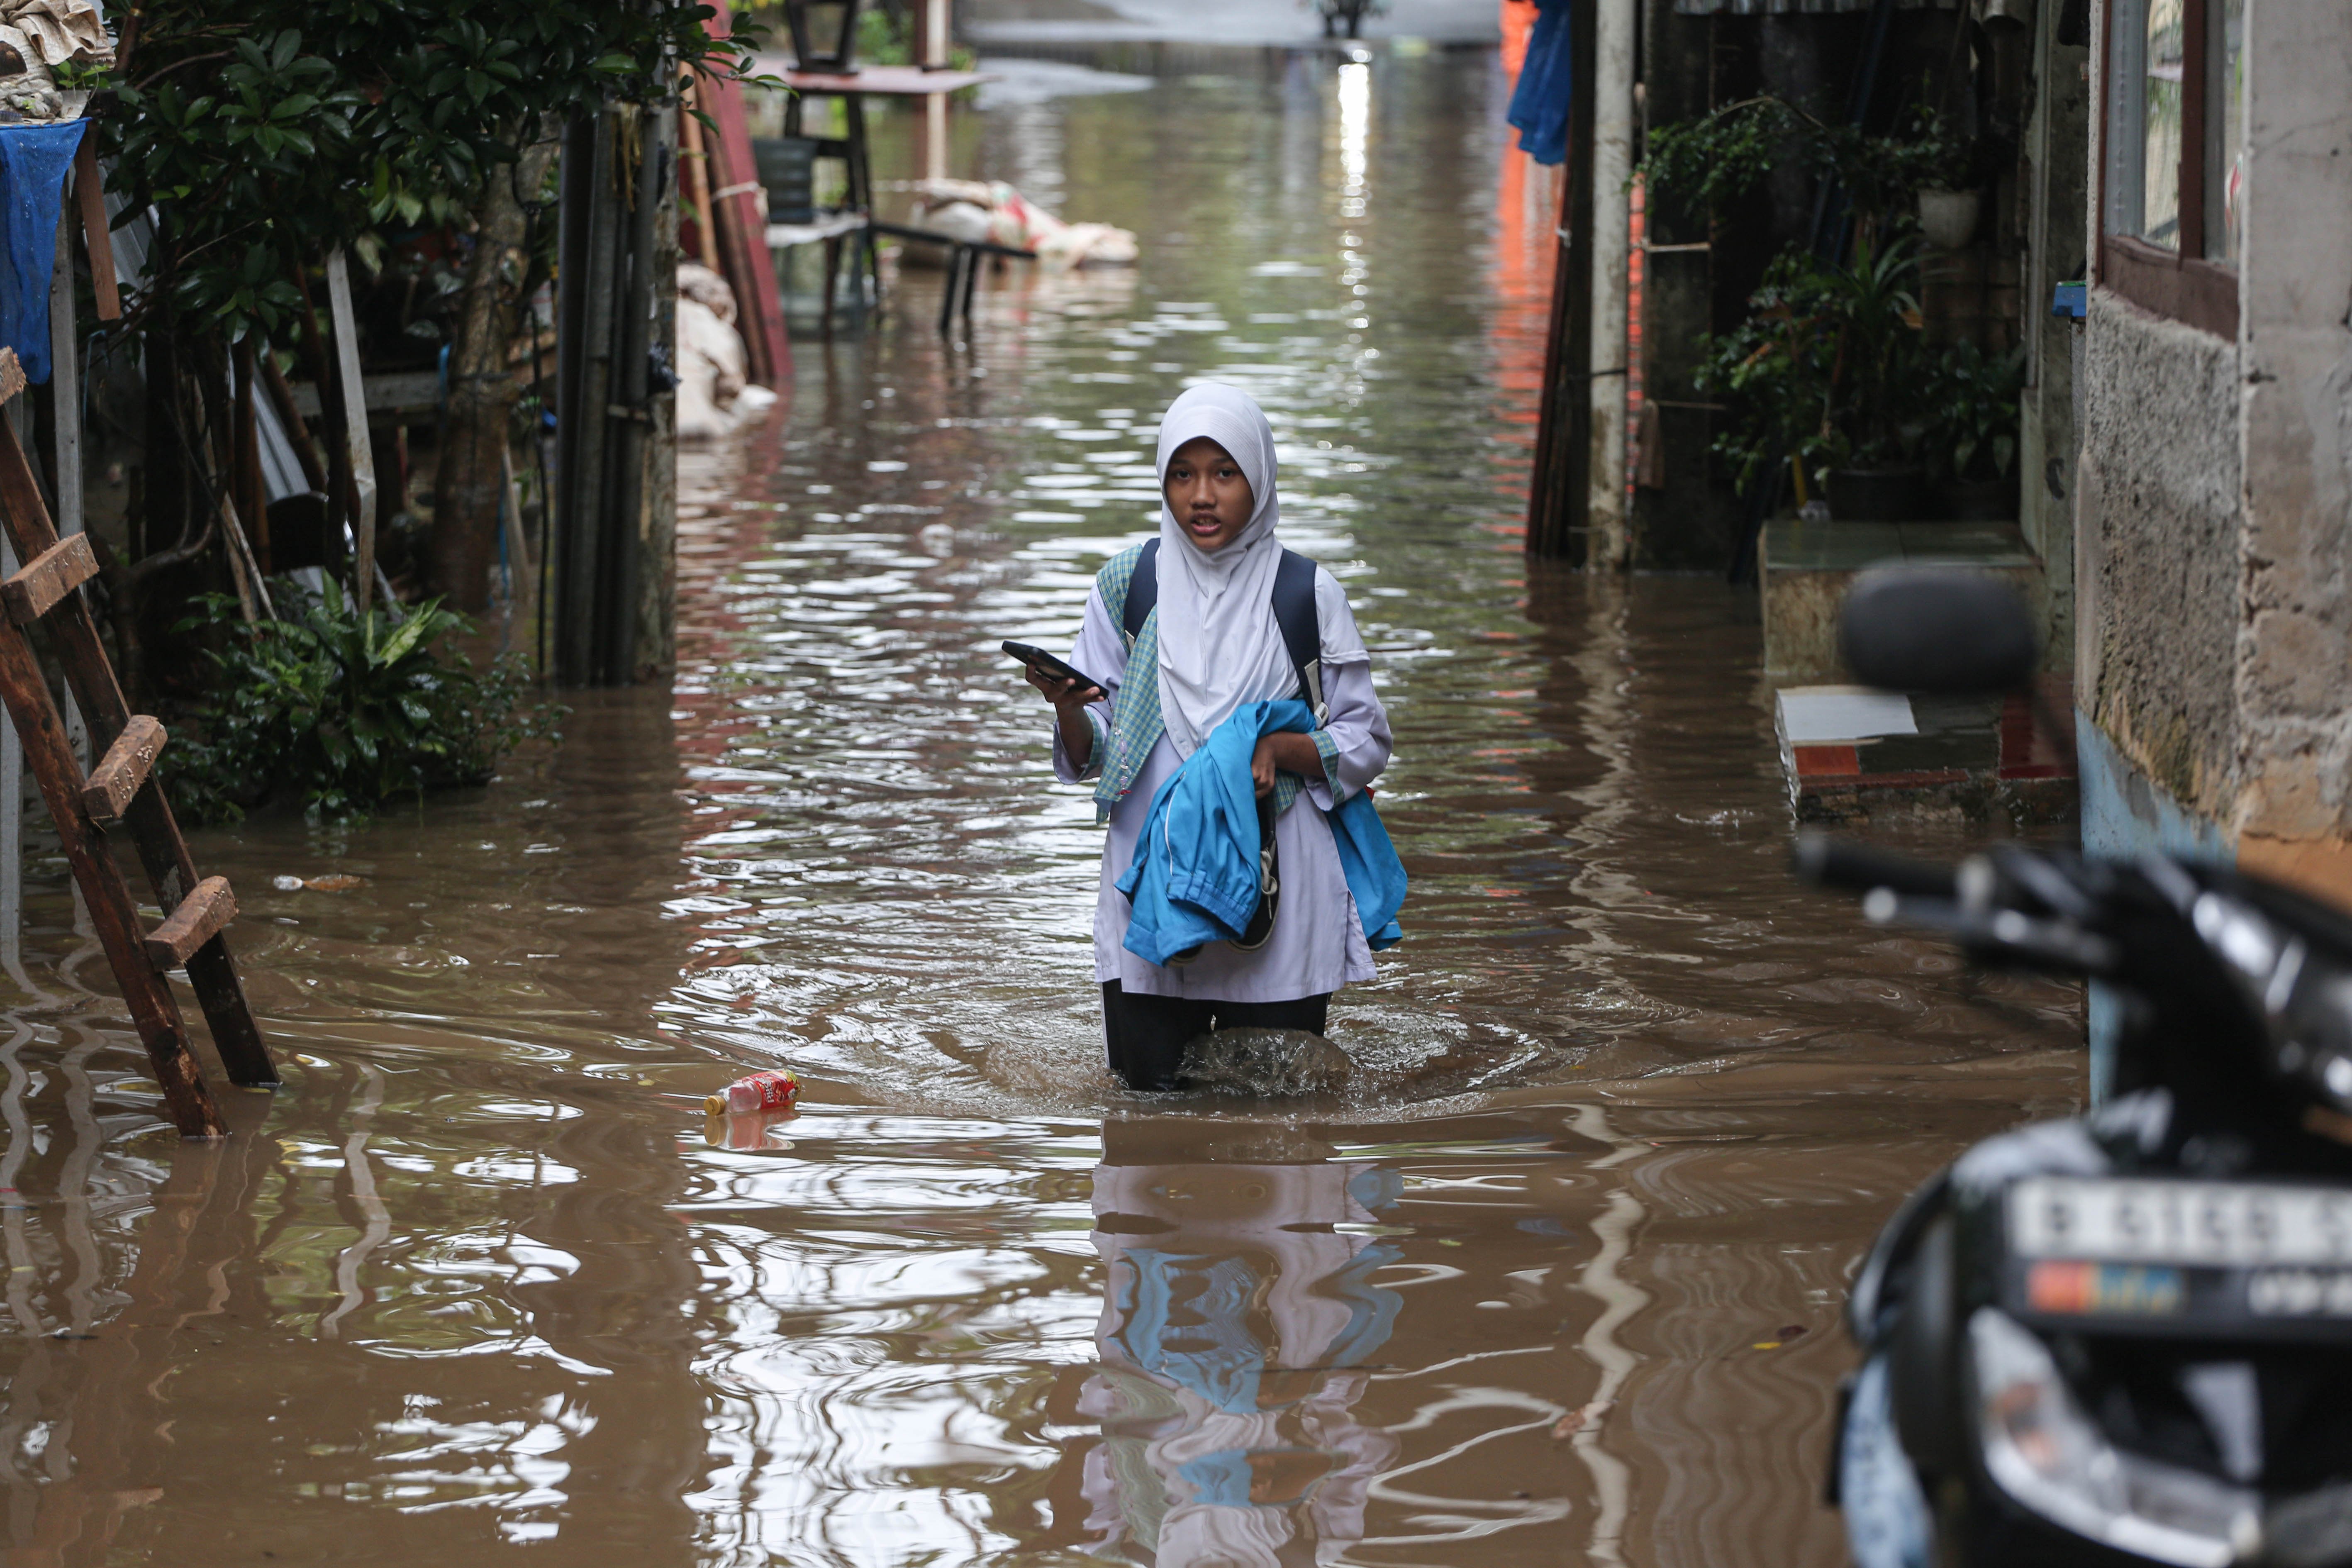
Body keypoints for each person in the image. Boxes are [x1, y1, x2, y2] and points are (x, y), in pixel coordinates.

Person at [1026, 383, 1394, 1091]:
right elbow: (1094, 750)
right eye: (1182, 474)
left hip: (1279, 888)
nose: (1201, 496)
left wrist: (1277, 749)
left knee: (1283, 1122)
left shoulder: (1306, 594)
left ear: (1259, 476)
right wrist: (1069, 710)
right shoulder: (1129, 585)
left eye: (1224, 473)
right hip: (1151, 882)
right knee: (1147, 1111)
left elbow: (1365, 739)